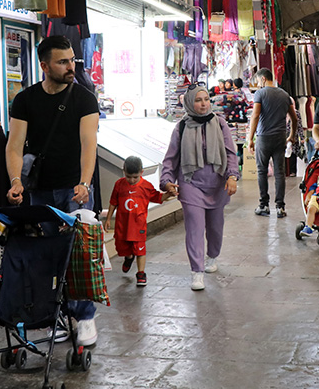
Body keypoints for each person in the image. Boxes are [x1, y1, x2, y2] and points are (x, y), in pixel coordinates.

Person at [5, 35, 100, 346]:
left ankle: (84, 317)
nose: (70, 66)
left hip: (75, 189)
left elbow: (89, 144)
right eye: (63, 62)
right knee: (46, 256)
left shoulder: (84, 98)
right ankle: (51, 315)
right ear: (44, 65)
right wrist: (16, 181)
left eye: (71, 59)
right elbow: (15, 145)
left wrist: (85, 182)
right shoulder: (25, 100)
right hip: (41, 191)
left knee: (80, 256)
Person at [160, 85, 240, 291]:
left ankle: (212, 255)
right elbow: (171, 158)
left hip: (217, 183)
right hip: (190, 182)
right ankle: (197, 271)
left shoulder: (220, 124)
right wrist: (166, 179)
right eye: (198, 100)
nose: (204, 103)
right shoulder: (181, 127)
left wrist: (232, 176)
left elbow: (231, 153)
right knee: (194, 228)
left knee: (215, 227)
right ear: (189, 103)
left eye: (206, 99)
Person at [105, 156, 172, 287]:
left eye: (135, 177)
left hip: (138, 226)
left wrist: (169, 193)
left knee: (140, 249)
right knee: (122, 247)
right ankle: (128, 257)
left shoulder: (146, 187)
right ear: (123, 171)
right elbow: (113, 202)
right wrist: (108, 219)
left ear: (141, 172)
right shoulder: (119, 185)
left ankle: (141, 273)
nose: (131, 180)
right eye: (128, 176)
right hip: (122, 226)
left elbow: (159, 197)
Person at [247, 69, 298, 218]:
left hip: (264, 138)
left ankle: (263, 205)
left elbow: (255, 116)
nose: (258, 84)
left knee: (262, 171)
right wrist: (291, 136)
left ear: (263, 79)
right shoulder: (284, 95)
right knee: (279, 172)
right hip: (280, 137)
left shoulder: (260, 94)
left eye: (258, 81)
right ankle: (280, 207)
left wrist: (250, 139)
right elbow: (294, 119)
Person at [300, 165, 319, 237]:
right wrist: (308, 196)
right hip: (316, 198)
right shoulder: (316, 184)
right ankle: (308, 227)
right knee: (311, 209)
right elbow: (311, 191)